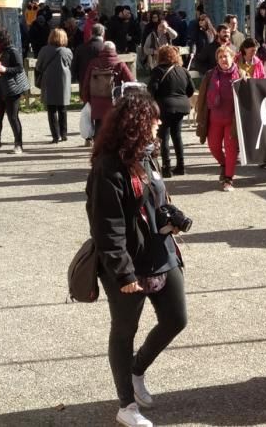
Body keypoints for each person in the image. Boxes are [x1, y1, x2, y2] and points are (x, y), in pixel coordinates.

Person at [86, 91, 187, 427]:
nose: (160, 124)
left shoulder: (147, 156)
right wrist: (124, 273)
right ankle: (126, 406)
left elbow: (155, 200)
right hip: (128, 265)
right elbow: (106, 227)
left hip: (161, 254)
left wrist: (175, 216)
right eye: (154, 119)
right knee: (124, 330)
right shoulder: (108, 167)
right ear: (139, 124)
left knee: (176, 319)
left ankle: (136, 369)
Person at [196, 45, 240, 191]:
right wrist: (200, 114)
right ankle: (224, 164)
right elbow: (202, 96)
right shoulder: (210, 75)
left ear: (232, 57)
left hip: (232, 121)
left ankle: (228, 179)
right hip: (214, 120)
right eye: (220, 57)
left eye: (225, 56)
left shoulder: (240, 74)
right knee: (213, 147)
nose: (223, 59)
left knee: (231, 149)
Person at [148, 45, 195, 178]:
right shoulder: (183, 71)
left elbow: (152, 89)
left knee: (163, 137)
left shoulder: (157, 71)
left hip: (164, 106)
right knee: (177, 135)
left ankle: (166, 167)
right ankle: (181, 166)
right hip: (181, 106)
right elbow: (190, 90)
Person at [0, 29, 29, 155]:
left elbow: (19, 68)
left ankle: (18, 144)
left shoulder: (12, 51)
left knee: (13, 117)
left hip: (12, 90)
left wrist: (5, 69)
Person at [81, 41, 134, 136]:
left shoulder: (94, 63)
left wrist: (86, 100)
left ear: (102, 50)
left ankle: (98, 147)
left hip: (96, 101)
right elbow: (131, 81)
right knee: (114, 128)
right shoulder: (119, 63)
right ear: (114, 50)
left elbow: (86, 83)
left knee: (99, 127)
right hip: (113, 101)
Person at [35, 28, 74, 143]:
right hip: (63, 82)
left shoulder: (44, 50)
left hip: (48, 81)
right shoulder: (67, 51)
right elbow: (70, 64)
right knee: (63, 109)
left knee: (51, 110)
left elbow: (38, 67)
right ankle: (64, 134)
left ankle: (55, 136)